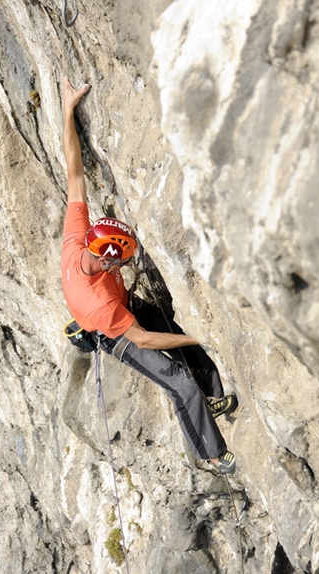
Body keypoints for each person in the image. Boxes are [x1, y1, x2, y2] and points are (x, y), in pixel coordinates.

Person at [61, 77, 238, 474]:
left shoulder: (78, 239)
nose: (125, 266)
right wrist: (200, 337)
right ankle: (209, 453)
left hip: (123, 308)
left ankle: (214, 398)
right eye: (121, 262)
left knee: (177, 333)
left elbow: (74, 175)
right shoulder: (98, 302)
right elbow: (140, 338)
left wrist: (67, 110)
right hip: (118, 335)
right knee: (179, 382)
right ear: (106, 262)